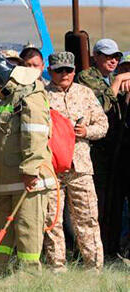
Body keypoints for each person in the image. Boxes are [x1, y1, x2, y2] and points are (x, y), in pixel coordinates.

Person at [0, 53, 55, 274]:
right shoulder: (7, 98)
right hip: (6, 179)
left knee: (28, 229)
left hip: (29, 180)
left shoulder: (30, 94)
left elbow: (35, 134)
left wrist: (30, 170)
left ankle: (29, 276)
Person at [43, 51, 107, 272]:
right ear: (50, 71)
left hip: (80, 167)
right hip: (52, 167)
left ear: (74, 71)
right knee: (52, 219)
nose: (64, 74)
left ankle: (94, 267)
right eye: (59, 70)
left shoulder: (85, 93)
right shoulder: (42, 95)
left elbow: (103, 125)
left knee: (87, 217)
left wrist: (87, 131)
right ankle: (56, 266)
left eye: (68, 70)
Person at [75, 38, 130, 257]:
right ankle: (94, 250)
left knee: (115, 202)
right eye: (107, 56)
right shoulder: (87, 77)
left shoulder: (111, 79)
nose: (113, 60)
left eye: (116, 57)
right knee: (98, 202)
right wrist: (118, 81)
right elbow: (102, 106)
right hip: (97, 151)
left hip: (117, 150)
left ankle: (112, 249)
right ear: (95, 56)